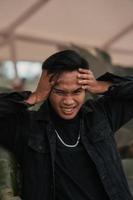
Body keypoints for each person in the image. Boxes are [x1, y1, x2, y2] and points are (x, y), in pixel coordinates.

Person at [0, 50, 133, 200]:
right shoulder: (26, 127)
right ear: (47, 89)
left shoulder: (100, 116)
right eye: (60, 92)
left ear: (86, 88)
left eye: (77, 92)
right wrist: (33, 97)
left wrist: (103, 86)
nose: (68, 101)